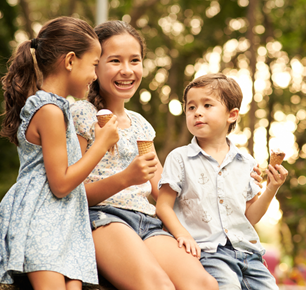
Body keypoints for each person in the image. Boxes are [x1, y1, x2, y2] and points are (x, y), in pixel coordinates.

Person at [69, 20, 218, 290]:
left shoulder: (140, 124)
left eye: (135, 60)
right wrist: (126, 178)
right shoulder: (81, 115)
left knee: (205, 284)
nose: (127, 70)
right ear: (95, 65)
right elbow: (70, 192)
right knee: (158, 286)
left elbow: (162, 190)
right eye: (114, 60)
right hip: (102, 218)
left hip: (147, 222)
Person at [0, 16, 120, 290]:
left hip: (65, 223)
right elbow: (61, 184)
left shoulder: (60, 109)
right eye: (93, 65)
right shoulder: (49, 111)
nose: (94, 75)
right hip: (42, 222)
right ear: (69, 61)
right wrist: (100, 145)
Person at [156, 73, 289, 290]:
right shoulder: (179, 158)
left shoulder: (246, 163)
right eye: (191, 107)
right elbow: (163, 206)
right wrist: (182, 234)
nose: (197, 112)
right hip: (209, 253)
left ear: (232, 115)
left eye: (207, 105)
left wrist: (272, 188)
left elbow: (250, 216)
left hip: (249, 254)